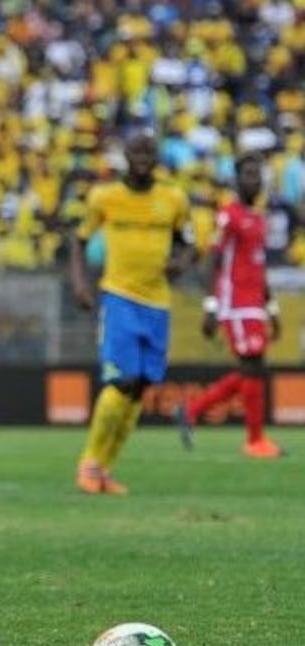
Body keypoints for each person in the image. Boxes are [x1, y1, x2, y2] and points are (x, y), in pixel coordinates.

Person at [69, 130, 192, 495]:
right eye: (136, 150)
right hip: (119, 298)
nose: (142, 157)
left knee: (140, 389)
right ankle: (89, 463)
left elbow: (187, 243)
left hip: (158, 303)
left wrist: (181, 262)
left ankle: (104, 469)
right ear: (125, 154)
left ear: (157, 157)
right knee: (121, 381)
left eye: (149, 151)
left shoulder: (174, 198)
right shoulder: (104, 196)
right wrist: (79, 283)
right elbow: (78, 241)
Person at [178, 152, 282, 458]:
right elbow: (214, 259)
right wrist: (211, 306)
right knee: (252, 367)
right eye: (248, 174)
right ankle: (254, 440)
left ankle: (192, 411)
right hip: (234, 303)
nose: (255, 180)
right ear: (237, 180)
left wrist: (272, 309)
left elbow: (258, 267)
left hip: (254, 304)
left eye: (258, 175)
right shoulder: (229, 215)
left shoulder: (258, 218)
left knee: (254, 369)